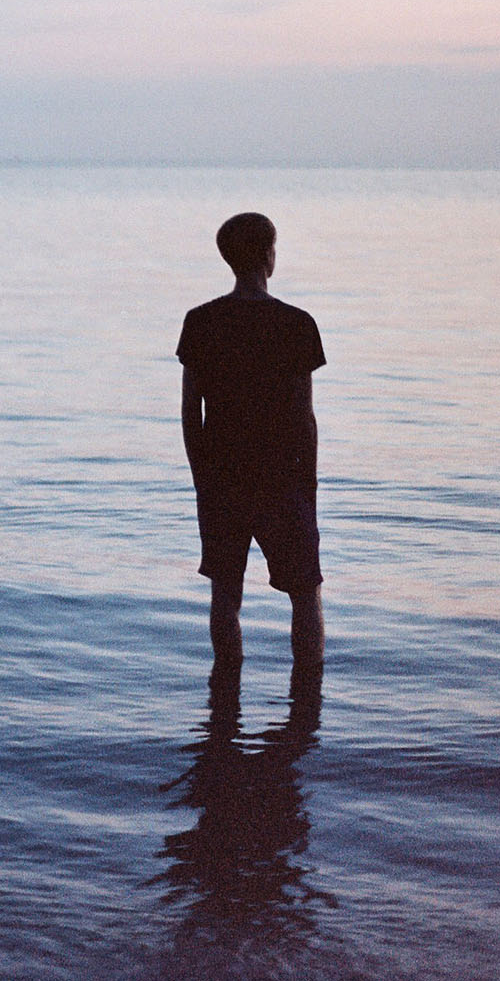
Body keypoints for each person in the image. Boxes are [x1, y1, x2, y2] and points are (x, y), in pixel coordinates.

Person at [178, 212, 325, 680]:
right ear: (267, 256)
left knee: (226, 596)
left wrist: (202, 477)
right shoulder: (297, 324)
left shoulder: (200, 322)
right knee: (305, 594)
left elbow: (189, 411)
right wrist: (309, 485)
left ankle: (225, 700)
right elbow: (305, 417)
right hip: (283, 480)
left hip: (222, 479)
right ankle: (307, 705)